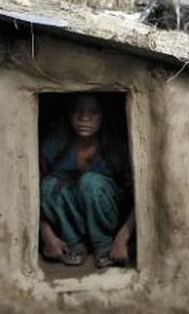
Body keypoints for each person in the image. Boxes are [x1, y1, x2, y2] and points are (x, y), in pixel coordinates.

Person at [39, 94, 135, 268]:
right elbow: (31, 193)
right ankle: (73, 244)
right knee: (48, 184)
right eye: (78, 111)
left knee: (90, 182)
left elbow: (141, 198)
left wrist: (123, 238)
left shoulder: (116, 149)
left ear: (104, 116)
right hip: (69, 223)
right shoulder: (56, 143)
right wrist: (47, 235)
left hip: (108, 220)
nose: (84, 118)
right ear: (69, 114)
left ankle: (103, 246)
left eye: (93, 112)